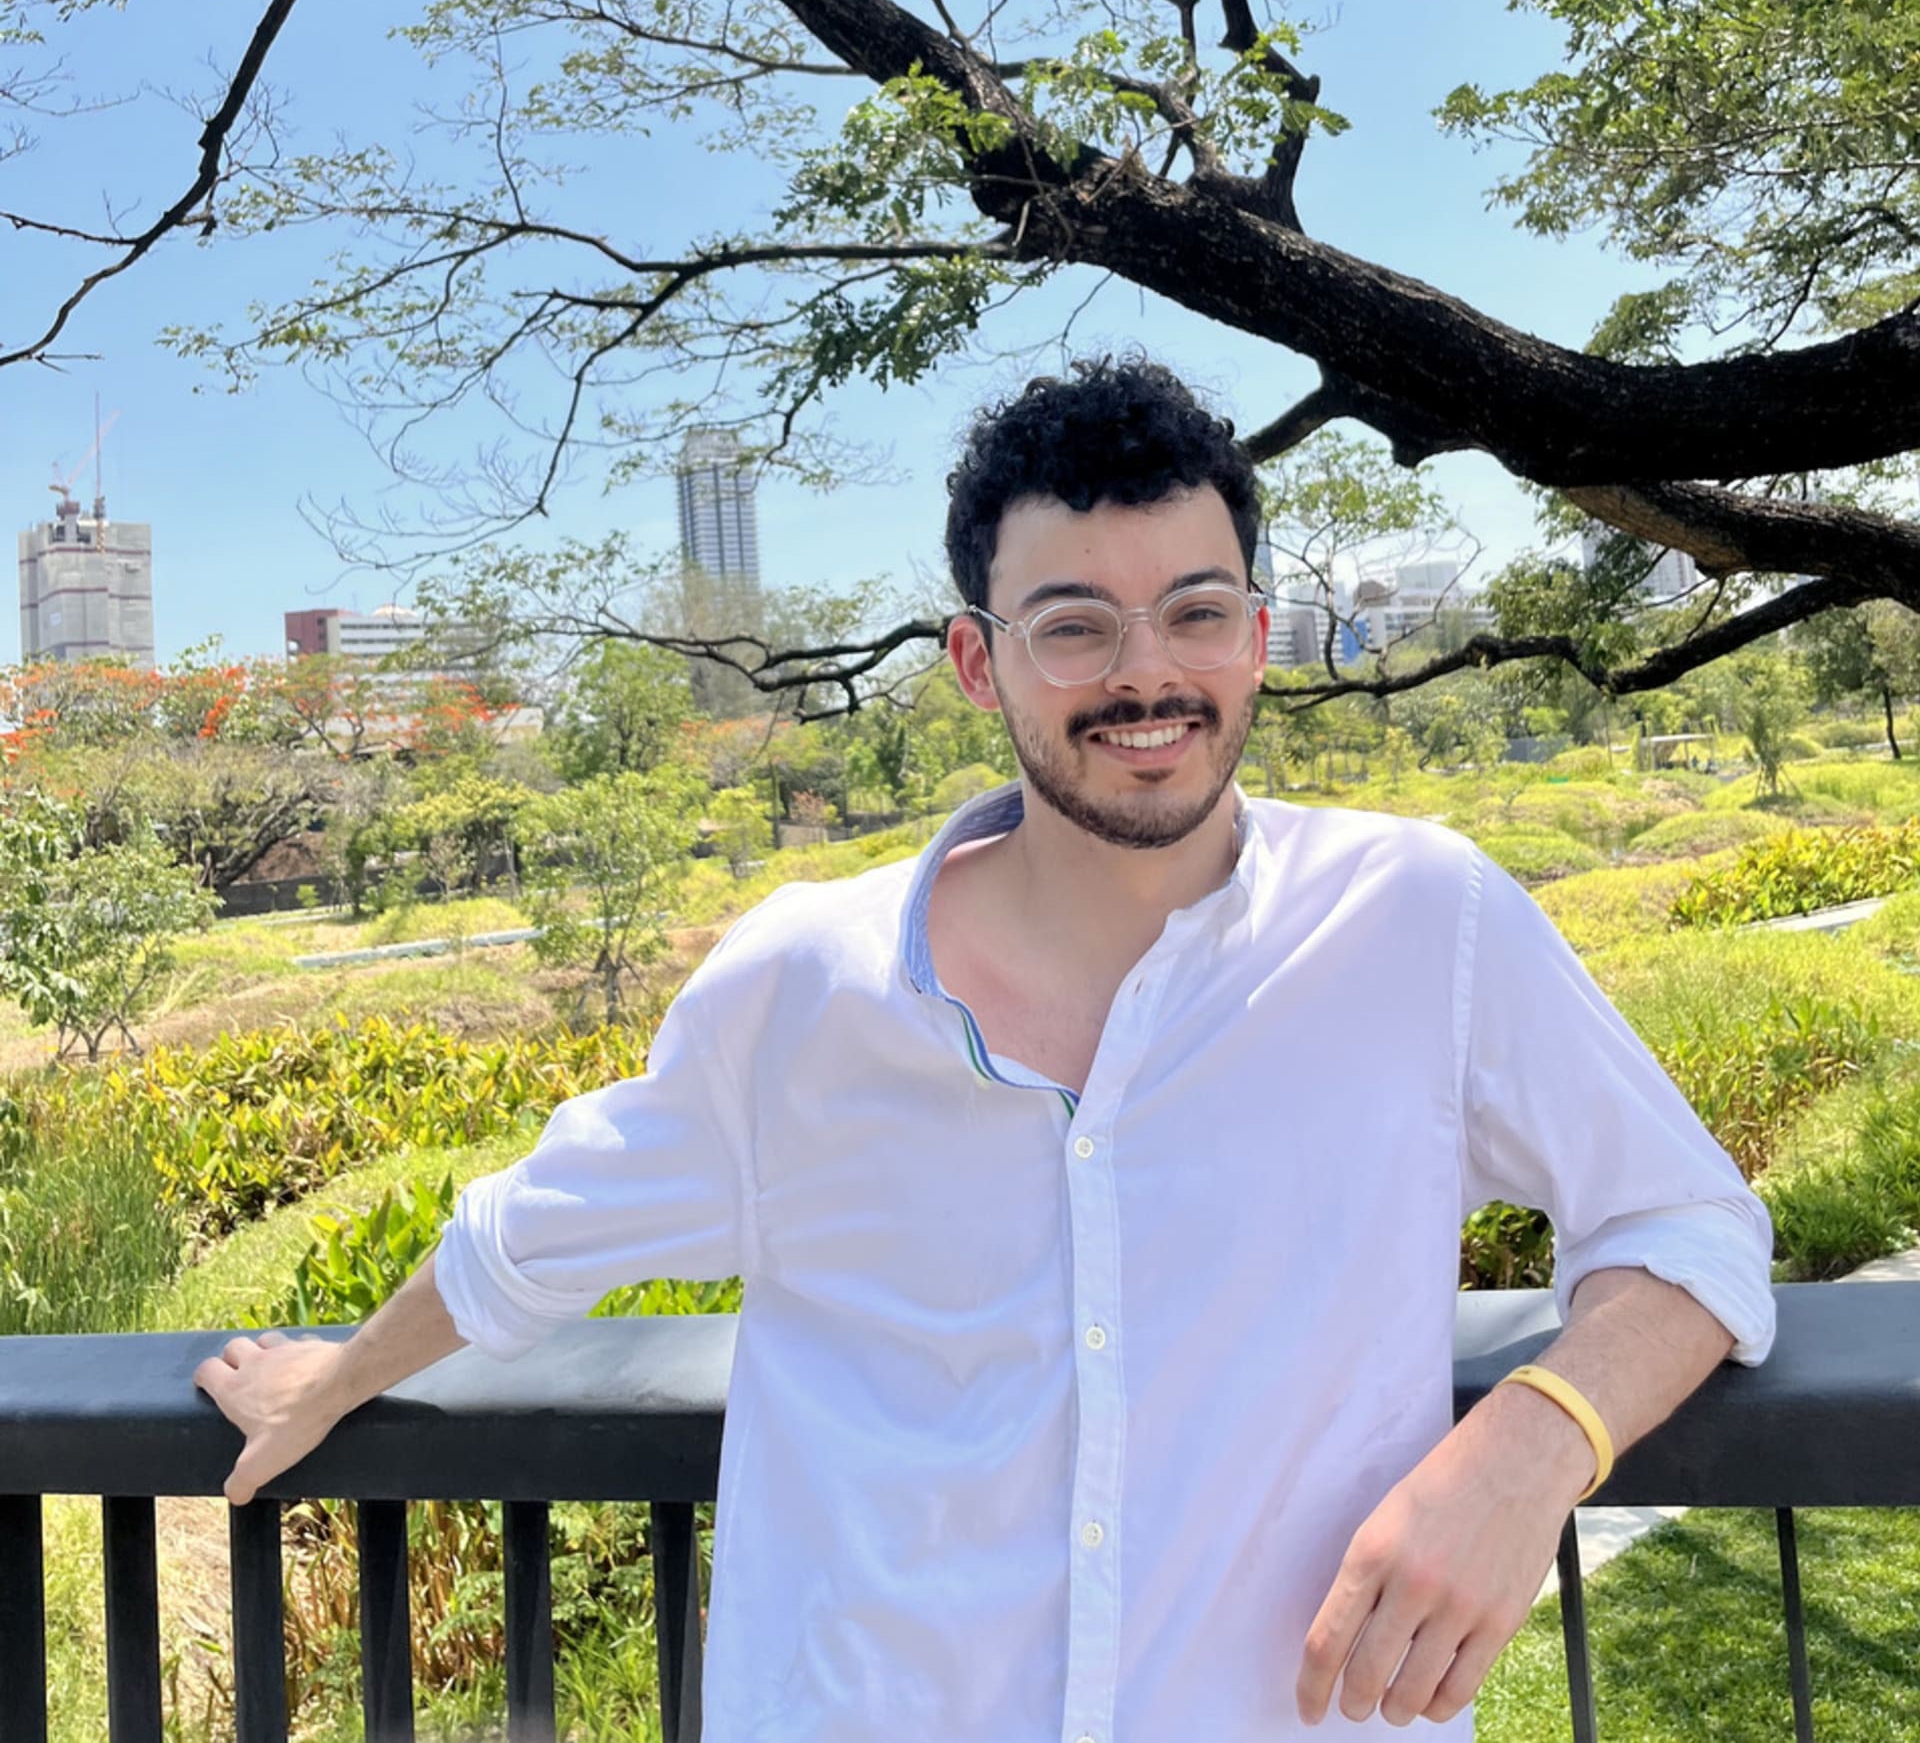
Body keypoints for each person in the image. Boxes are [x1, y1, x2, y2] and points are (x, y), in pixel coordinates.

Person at [196, 356, 1774, 1739]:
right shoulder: (801, 988)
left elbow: (1687, 1226)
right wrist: (335, 1380)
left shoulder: (1421, 923)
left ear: (1258, 636)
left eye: (1197, 614)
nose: (1147, 675)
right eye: (1075, 627)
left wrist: (1528, 1449)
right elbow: (520, 1247)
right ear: (978, 662)